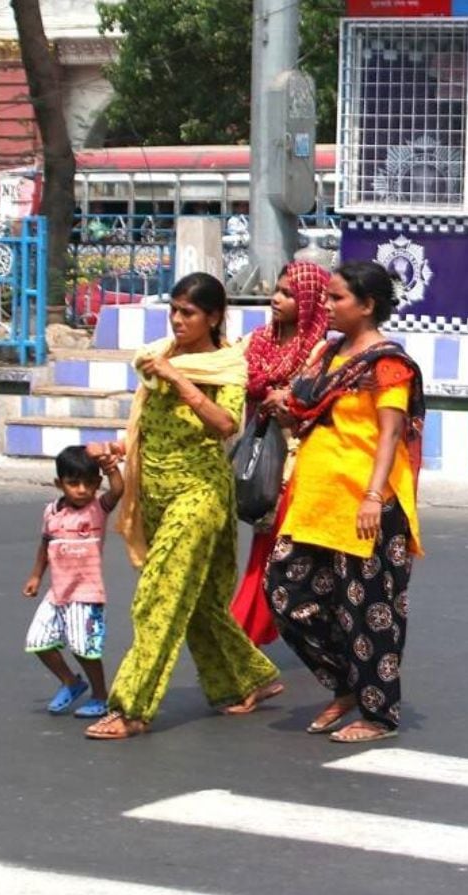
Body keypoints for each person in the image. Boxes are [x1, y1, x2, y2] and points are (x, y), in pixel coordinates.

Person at [85, 272, 284, 740]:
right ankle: (249, 677)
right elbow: (151, 425)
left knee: (159, 597)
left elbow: (226, 423)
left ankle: (131, 706)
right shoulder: (158, 356)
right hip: (154, 492)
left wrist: (180, 381)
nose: (177, 320)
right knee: (198, 603)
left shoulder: (224, 365)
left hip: (199, 495)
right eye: (174, 310)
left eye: (189, 313)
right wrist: (119, 447)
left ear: (213, 317)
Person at [262, 260, 426, 743]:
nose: (327, 306)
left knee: (369, 608)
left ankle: (378, 713)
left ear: (368, 305)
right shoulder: (327, 356)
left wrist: (374, 495)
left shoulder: (387, 364)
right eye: (328, 298)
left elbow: (391, 432)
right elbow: (309, 418)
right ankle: (347, 684)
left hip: (368, 502)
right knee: (286, 595)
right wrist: (284, 411)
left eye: (338, 299)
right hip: (317, 500)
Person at [229, 261, 332, 646]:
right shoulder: (256, 341)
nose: (276, 298)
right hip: (264, 458)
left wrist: (288, 400)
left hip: (303, 462)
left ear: (308, 301)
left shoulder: (322, 351)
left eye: (288, 293)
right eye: (277, 289)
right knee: (268, 547)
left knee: (279, 554)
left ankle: (245, 635)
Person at [22, 445, 123, 718]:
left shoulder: (97, 509)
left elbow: (117, 491)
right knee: (38, 642)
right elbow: (45, 543)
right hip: (57, 592)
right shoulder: (51, 513)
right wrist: (35, 575)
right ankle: (71, 682)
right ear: (59, 483)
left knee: (85, 649)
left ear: (96, 484)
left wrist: (112, 467)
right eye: (73, 483)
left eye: (88, 484)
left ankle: (100, 695)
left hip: (87, 594)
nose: (81, 490)